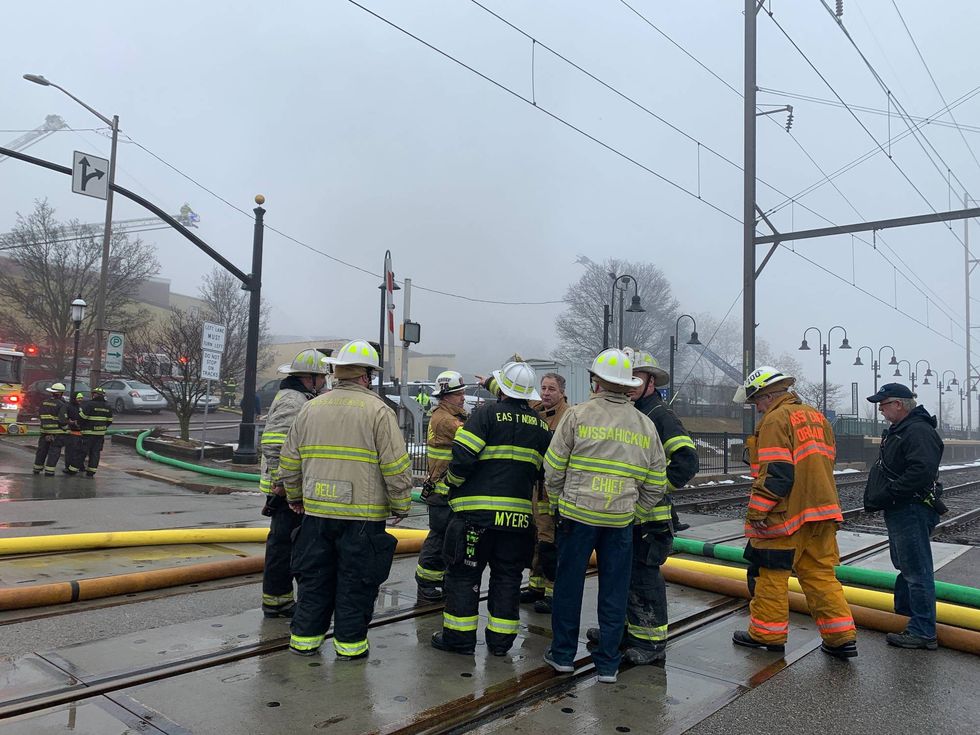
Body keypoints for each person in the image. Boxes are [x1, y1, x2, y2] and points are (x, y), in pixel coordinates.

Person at [278, 340, 412, 659]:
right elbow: (395, 465)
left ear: (337, 372)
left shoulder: (311, 407)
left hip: (316, 515)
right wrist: (401, 505)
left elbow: (289, 459)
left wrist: (295, 497)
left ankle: (304, 642)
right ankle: (350, 649)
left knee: (313, 581)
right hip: (363, 520)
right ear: (365, 376)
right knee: (356, 585)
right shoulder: (378, 410)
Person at [544, 348, 667, 684]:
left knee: (568, 587)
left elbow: (553, 468)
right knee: (614, 591)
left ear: (596, 379)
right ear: (628, 385)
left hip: (576, 517)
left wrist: (558, 502)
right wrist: (634, 512)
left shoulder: (577, 415)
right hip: (619, 523)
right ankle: (608, 664)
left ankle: (563, 655)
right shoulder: (645, 425)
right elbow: (656, 482)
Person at [732, 366, 857, 659]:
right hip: (822, 510)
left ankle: (767, 634)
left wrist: (757, 511)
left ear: (769, 395)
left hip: (787, 512)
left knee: (771, 573)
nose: (757, 407)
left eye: (757, 401)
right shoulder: (817, 417)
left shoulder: (775, 419)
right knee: (819, 574)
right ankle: (840, 637)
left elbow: (777, 472)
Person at [431, 360, 552, 657]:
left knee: (463, 577)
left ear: (503, 390)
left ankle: (459, 640)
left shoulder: (485, 415)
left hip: (474, 518)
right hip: (516, 522)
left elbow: (462, 458)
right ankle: (500, 644)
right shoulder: (541, 427)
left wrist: (454, 484)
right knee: (508, 579)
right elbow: (544, 472)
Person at [585, 348, 699, 665]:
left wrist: (651, 491)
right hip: (627, 517)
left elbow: (687, 461)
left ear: (651, 382)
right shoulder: (634, 413)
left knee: (643, 580)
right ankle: (624, 631)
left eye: (637, 378)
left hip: (649, 520)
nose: (631, 383)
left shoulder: (659, 416)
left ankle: (650, 643)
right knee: (622, 576)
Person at [864, 383, 945, 650]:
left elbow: (921, 471)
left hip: (910, 508)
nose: (881, 410)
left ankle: (922, 630)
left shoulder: (917, 431)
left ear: (898, 404)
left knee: (916, 571)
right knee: (906, 566)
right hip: (903, 507)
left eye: (883, 405)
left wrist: (891, 493)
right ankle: (906, 617)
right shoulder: (906, 429)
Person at [258, 349, 331, 618]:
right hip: (286, 488)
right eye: (321, 378)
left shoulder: (298, 397)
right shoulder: (293, 400)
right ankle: (277, 601)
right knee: (284, 545)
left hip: (289, 484)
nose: (324, 382)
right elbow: (275, 443)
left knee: (286, 543)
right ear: (309, 378)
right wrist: (283, 483)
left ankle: (279, 599)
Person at [415, 370, 468, 603]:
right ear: (446, 396)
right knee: (438, 538)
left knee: (448, 537)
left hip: (446, 490)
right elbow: (472, 437)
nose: (463, 397)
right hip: (442, 491)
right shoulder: (445, 419)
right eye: (459, 394)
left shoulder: (448, 414)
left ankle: (439, 580)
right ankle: (427, 583)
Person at [521, 372, 571, 614]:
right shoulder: (538, 409)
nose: (546, 393)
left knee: (551, 542)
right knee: (536, 539)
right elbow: (517, 395)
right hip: (535, 488)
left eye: (551, 389)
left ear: (562, 392)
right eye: (543, 388)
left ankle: (553, 592)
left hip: (552, 491)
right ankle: (536, 587)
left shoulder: (567, 416)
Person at [33, 383, 69, 477]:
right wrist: (66, 429)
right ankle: (49, 471)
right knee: (54, 451)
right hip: (57, 432)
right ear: (61, 393)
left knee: (42, 450)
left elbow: (40, 414)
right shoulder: (62, 404)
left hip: (45, 431)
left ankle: (37, 468)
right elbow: (62, 420)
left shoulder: (44, 402)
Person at [78, 387, 114, 477]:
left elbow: (82, 418)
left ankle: (74, 468)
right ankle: (91, 471)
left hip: (88, 432)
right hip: (100, 434)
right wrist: (102, 428)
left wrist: (81, 426)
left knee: (83, 451)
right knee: (95, 452)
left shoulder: (89, 404)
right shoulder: (108, 406)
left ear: (94, 394)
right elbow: (109, 421)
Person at [62, 391, 86, 475]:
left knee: (80, 451)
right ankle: (68, 467)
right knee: (70, 452)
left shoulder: (82, 406)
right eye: (78, 399)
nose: (80, 400)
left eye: (81, 399)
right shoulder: (68, 407)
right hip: (72, 433)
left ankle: (80, 466)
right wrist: (70, 422)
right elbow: (64, 418)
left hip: (81, 433)